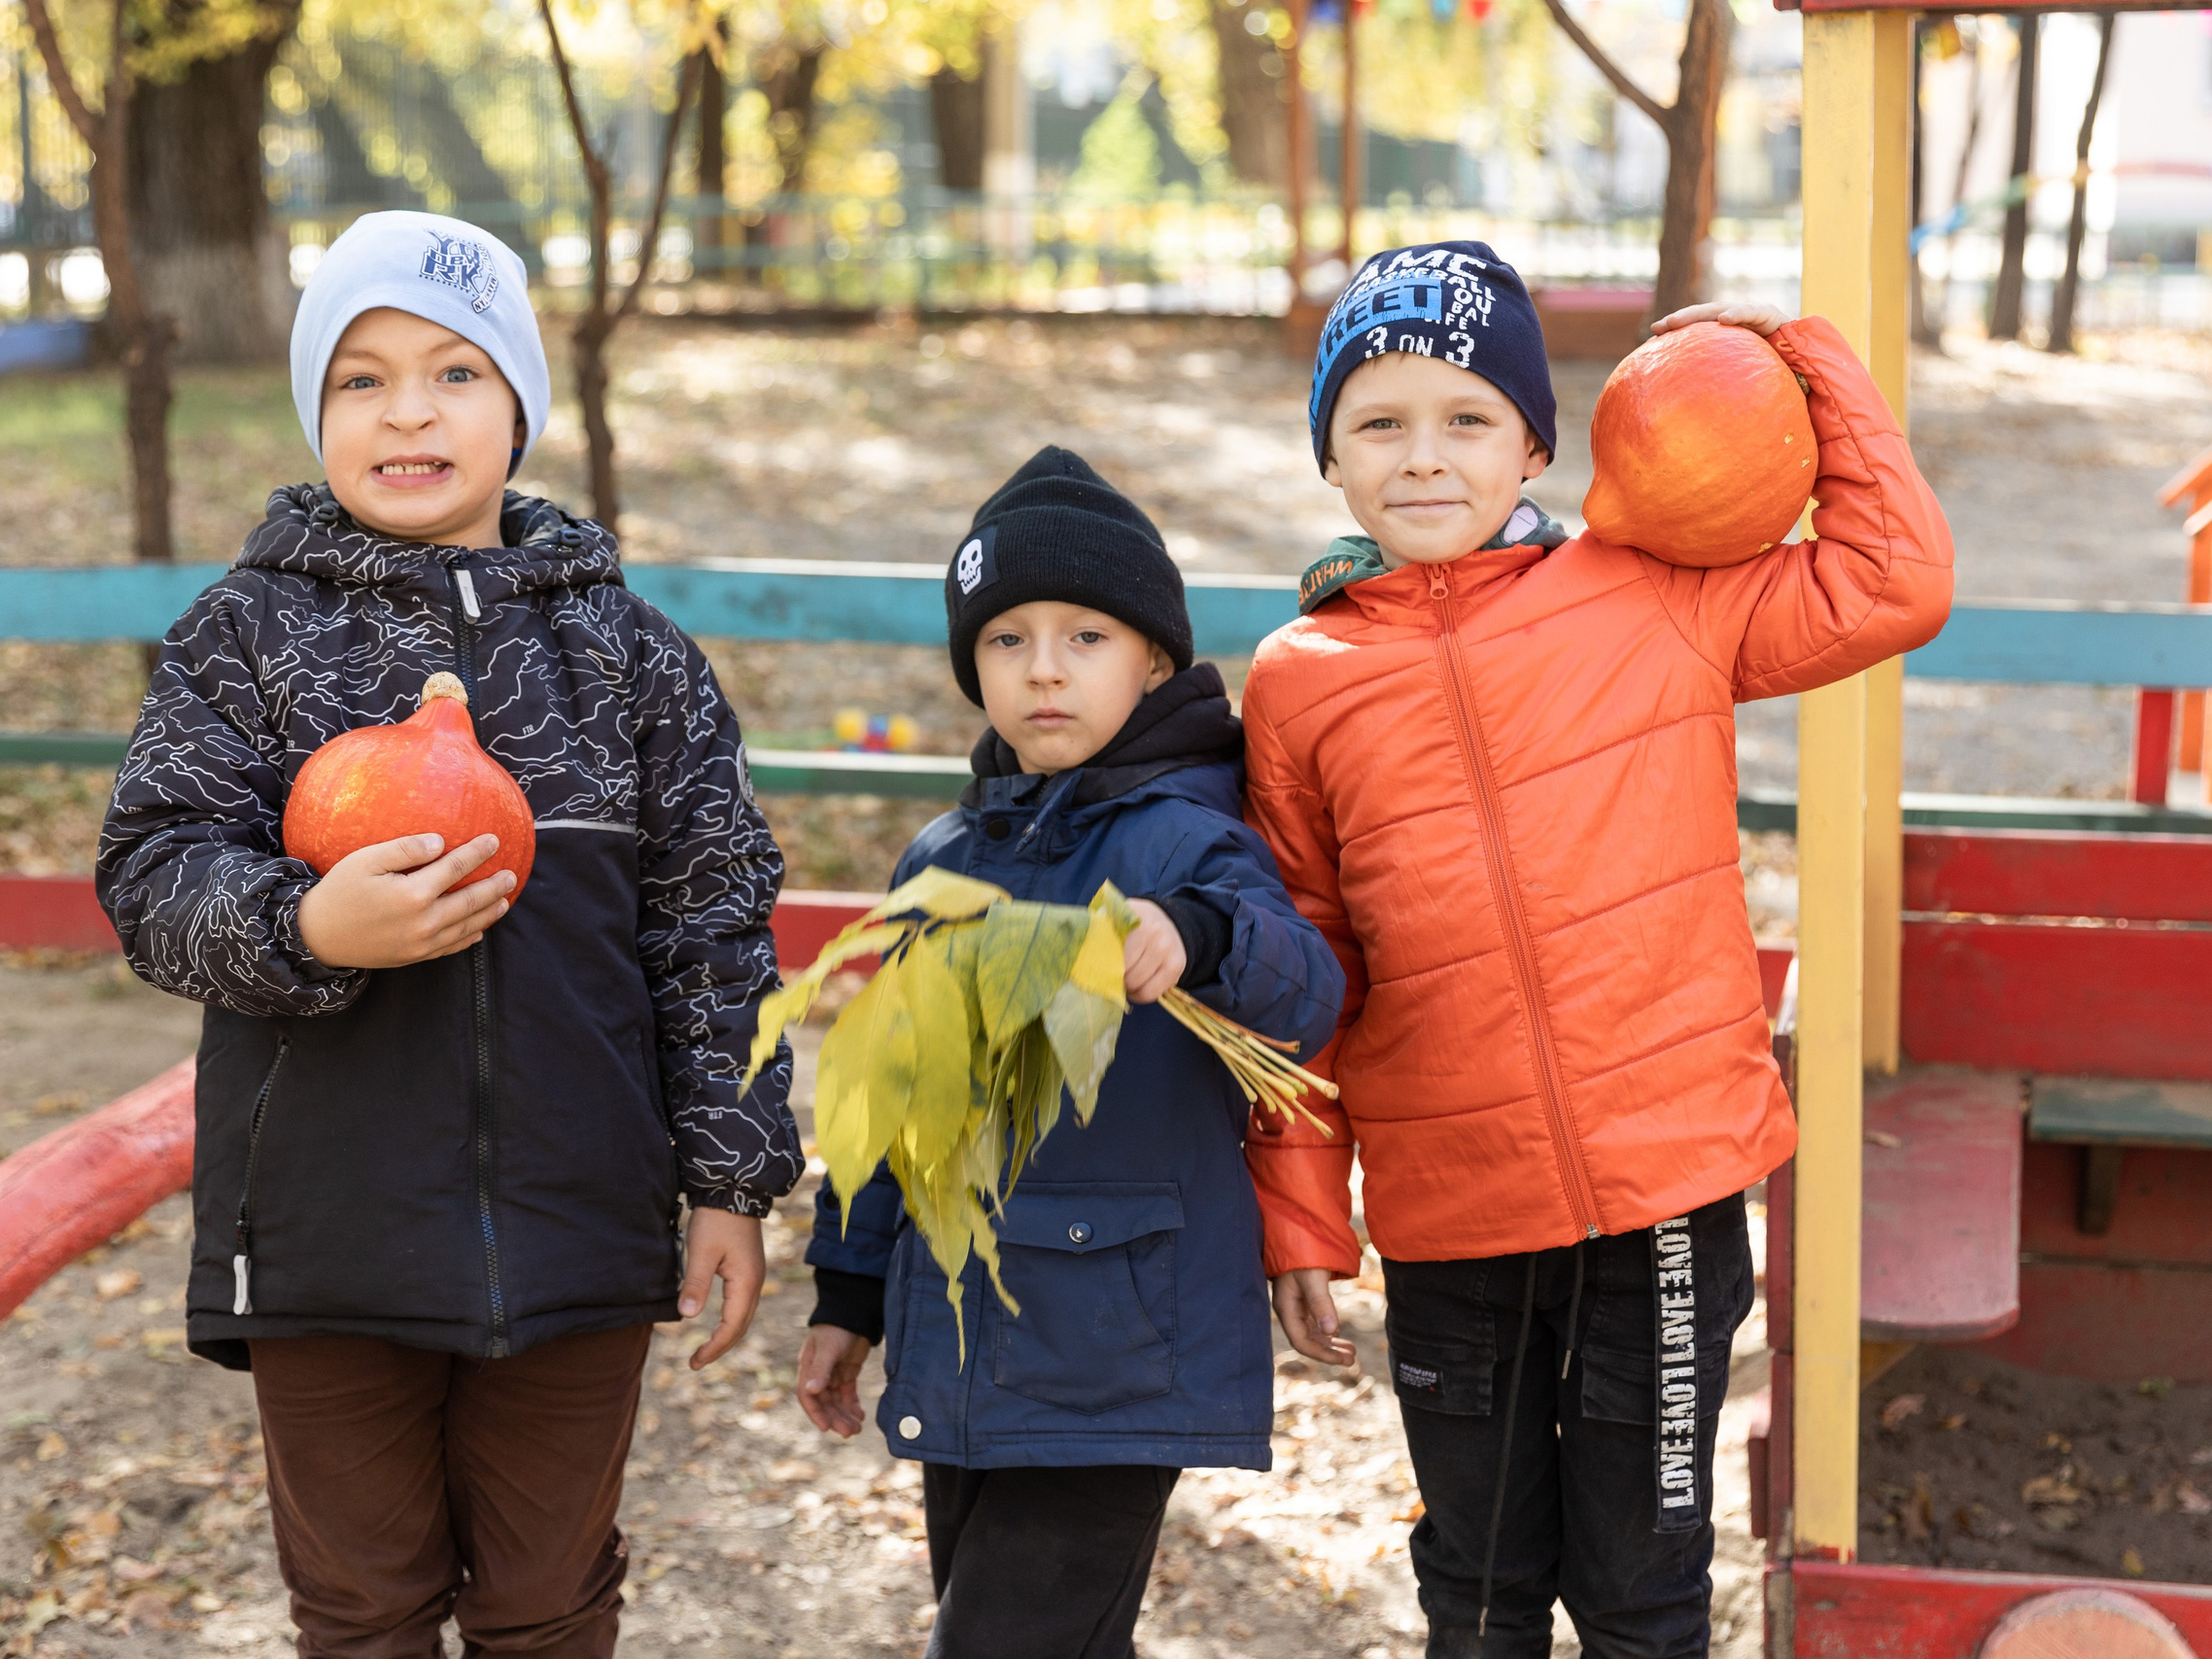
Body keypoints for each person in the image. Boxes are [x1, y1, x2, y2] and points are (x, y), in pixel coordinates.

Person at [95, 210, 800, 1657]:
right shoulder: (245, 635)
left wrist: (731, 1182)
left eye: (455, 372)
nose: (408, 408)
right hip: (321, 1230)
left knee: (550, 1597)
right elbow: (152, 878)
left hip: (582, 1223)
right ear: (317, 411)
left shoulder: (635, 658)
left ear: (519, 407)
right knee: (362, 1604)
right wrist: (308, 921)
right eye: (361, 376)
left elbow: (713, 927)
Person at [1242, 241, 1954, 1658]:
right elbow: (1300, 966)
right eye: (1377, 422)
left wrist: (1796, 351)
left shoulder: (1659, 597)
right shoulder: (1297, 682)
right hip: (1452, 1204)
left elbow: (1896, 576)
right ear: (1329, 456)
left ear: (1535, 441)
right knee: (1484, 1588)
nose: (1424, 457)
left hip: (1668, 1196)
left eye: (1466, 419)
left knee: (1641, 1592)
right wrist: (1305, 1213)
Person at [793, 446, 1346, 1659]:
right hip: (960, 1327)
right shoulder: (943, 860)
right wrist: (846, 1289)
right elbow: (892, 1100)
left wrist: (1193, 936)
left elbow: (1305, 986)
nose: (1043, 668)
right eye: (1006, 640)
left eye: (1085, 637)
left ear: (1153, 658)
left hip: (1116, 1341)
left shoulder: (1192, 831)